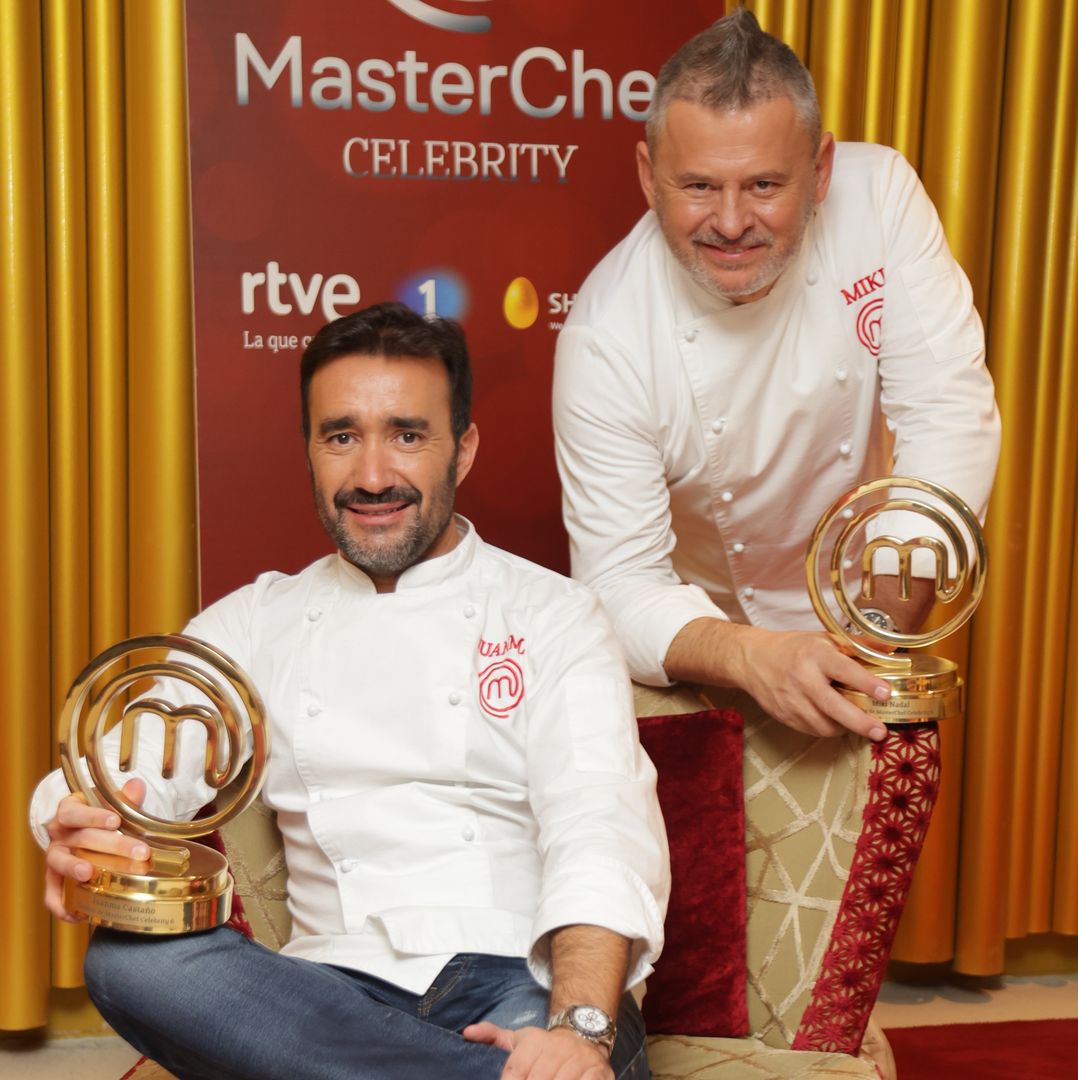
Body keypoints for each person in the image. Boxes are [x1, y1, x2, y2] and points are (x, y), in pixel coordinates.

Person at [31, 302, 669, 1080]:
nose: (372, 476)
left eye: (407, 434)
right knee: (127, 962)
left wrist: (580, 1029)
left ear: (461, 450)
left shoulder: (554, 615)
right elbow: (126, 764)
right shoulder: (257, 621)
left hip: (518, 976)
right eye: (341, 437)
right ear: (309, 449)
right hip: (322, 989)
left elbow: (597, 827)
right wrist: (74, 822)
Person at [552, 8, 1000, 741]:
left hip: (882, 619)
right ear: (647, 176)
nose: (730, 223)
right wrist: (753, 655)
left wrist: (875, 642)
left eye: (763, 185)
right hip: (705, 657)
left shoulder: (880, 198)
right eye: (698, 186)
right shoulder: (607, 334)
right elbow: (618, 585)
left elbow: (948, 415)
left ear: (821, 171)